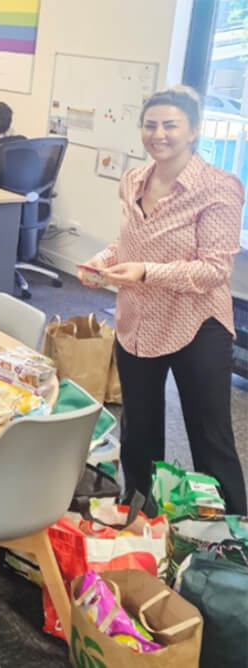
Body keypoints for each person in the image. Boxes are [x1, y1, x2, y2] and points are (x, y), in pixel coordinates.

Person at [79, 85, 247, 516]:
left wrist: (145, 272)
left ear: (193, 131)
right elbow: (128, 243)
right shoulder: (135, 179)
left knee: (210, 437)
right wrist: (102, 260)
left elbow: (214, 270)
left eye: (170, 125)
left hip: (196, 323)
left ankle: (233, 536)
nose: (159, 134)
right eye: (151, 125)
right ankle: (140, 514)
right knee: (138, 429)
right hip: (139, 319)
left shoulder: (218, 187)